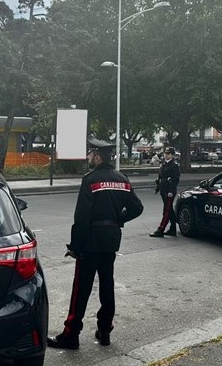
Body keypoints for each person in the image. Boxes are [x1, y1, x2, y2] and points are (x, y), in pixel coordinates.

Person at [47, 137, 144, 350]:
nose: (89, 158)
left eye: (91, 154)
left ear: (98, 157)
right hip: (110, 240)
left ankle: (71, 335)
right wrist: (119, 220)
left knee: (81, 288)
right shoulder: (122, 179)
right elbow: (137, 208)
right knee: (107, 285)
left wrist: (75, 246)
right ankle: (105, 331)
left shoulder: (90, 180)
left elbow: (81, 217)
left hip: (90, 241)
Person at [150, 146, 180, 238]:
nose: (166, 155)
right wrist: (157, 188)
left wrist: (171, 191)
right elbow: (160, 177)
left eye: (168, 153)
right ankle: (172, 229)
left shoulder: (174, 165)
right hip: (163, 189)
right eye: (165, 153)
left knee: (166, 211)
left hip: (169, 191)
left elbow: (175, 180)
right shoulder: (163, 164)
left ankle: (161, 229)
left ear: (172, 155)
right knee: (169, 210)